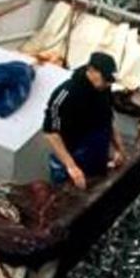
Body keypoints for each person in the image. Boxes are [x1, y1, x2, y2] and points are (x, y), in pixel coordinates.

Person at [42, 52, 126, 190]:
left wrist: (119, 148)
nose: (108, 85)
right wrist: (71, 167)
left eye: (110, 81)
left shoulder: (104, 88)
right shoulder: (66, 94)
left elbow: (107, 119)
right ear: (91, 71)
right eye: (105, 80)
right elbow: (50, 132)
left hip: (94, 150)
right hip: (71, 151)